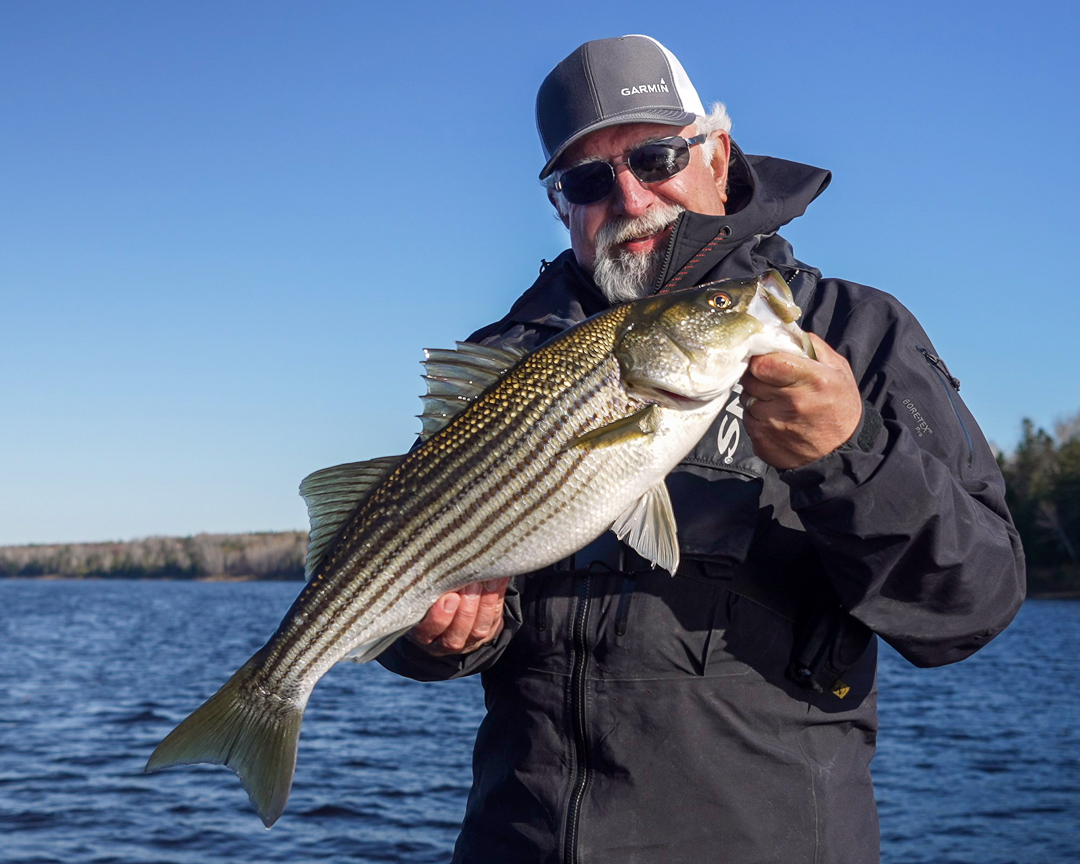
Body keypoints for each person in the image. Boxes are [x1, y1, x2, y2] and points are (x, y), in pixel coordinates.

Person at [378, 35, 1025, 864]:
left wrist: (850, 456)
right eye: (587, 180)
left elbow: (972, 604)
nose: (629, 195)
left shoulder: (856, 332)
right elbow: (405, 575)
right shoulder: (505, 361)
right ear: (561, 207)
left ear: (718, 155)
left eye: (656, 157)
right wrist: (437, 639)